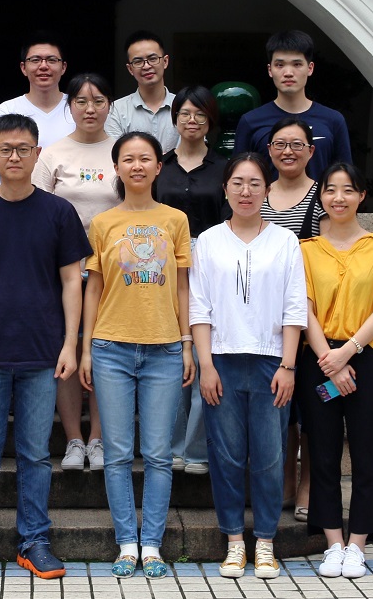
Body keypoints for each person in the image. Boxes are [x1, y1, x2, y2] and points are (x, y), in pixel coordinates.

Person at [0, 114, 91, 581]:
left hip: (42, 351)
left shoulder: (58, 213)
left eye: (23, 149)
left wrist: (70, 344)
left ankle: (35, 540)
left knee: (34, 453)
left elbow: (72, 281)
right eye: (5, 149)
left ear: (37, 154)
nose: (14, 156)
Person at [79, 132, 195, 579]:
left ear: (158, 166)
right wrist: (86, 348)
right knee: (117, 453)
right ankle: (127, 542)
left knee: (159, 454)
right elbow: (93, 288)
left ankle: (153, 546)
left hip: (165, 348)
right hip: (110, 347)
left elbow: (182, 287)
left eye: (145, 158)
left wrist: (186, 343)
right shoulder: (103, 223)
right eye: (128, 159)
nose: (137, 166)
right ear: (117, 168)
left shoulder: (176, 220)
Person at [189, 153, 307, 580]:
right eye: (237, 183)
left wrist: (288, 366)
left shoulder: (285, 241)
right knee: (226, 455)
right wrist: (206, 365)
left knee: (271, 455)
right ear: (225, 189)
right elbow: (198, 307)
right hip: (221, 359)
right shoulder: (208, 241)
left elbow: (295, 306)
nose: (246, 191)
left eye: (255, 183)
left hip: (271, 363)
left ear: (267, 190)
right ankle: (235, 542)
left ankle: (266, 542)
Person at [298, 163, 373, 579]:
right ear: (321, 197)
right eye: (330, 190)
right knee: (322, 453)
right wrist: (330, 359)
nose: (338, 198)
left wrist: (348, 352)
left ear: (362, 196)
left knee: (367, 455)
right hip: (319, 359)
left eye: (348, 190)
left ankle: (358, 545)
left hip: (367, 359)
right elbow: (303, 308)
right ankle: (332, 543)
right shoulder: (305, 250)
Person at [32, 72, 117, 471]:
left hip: (113, 272)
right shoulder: (52, 153)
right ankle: (73, 440)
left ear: (110, 106)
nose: (90, 109)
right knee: (66, 350)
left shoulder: (123, 149)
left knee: (102, 351)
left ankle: (98, 438)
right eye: (81, 101)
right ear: (70, 106)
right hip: (63, 272)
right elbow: (36, 211)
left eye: (98, 101)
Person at [156, 86, 230, 476]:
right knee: (171, 353)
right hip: (161, 266)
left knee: (205, 353)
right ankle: (171, 446)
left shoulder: (224, 168)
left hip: (211, 265)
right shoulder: (160, 166)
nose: (192, 120)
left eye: (200, 114)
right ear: (175, 118)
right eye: (185, 113)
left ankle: (197, 449)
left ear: (210, 120)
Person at [261, 117, 327, 519]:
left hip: (316, 313)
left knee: (313, 404)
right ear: (269, 149)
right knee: (279, 402)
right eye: (280, 144)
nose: (288, 151)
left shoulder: (324, 194)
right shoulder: (257, 192)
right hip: (267, 318)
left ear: (311, 151)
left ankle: (306, 485)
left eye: (297, 144)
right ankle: (285, 480)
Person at [234, 29, 351, 180]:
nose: (288, 72)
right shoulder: (251, 121)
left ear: (310, 68)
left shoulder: (333, 120)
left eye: (297, 64)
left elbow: (346, 178)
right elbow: (238, 178)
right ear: (270, 70)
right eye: (280, 65)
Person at [0, 33, 74, 148]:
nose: (43, 66)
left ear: (63, 67)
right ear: (23, 68)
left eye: (51, 60)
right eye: (35, 60)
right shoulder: (9, 109)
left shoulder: (77, 107)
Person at [105, 31, 179, 154]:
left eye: (152, 59)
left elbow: (195, 153)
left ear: (165, 61)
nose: (146, 66)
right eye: (138, 61)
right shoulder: (116, 110)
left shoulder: (184, 106)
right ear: (130, 69)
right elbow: (117, 156)